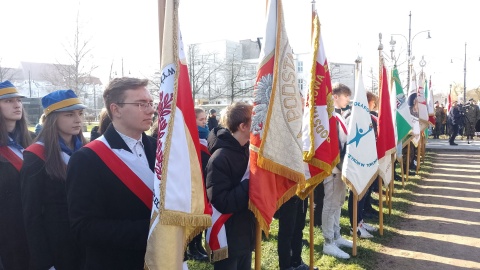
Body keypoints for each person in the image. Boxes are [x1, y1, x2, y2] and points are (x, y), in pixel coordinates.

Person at [66, 77, 157, 269]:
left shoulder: (159, 149)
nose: (151, 110)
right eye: (141, 104)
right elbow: (84, 228)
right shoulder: (87, 159)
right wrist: (151, 229)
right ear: (116, 109)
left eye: (150, 103)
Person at [21, 89, 87, 269]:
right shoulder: (36, 156)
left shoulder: (86, 150)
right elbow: (31, 215)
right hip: (57, 248)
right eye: (69, 114)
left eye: (80, 113)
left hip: (87, 242)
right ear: (53, 118)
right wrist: (45, 263)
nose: (78, 119)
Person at [206, 102, 255, 270]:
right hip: (227, 236)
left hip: (245, 231)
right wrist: (253, 183)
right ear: (243, 126)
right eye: (256, 122)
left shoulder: (249, 149)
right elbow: (222, 201)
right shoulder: (220, 158)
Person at [0, 80, 31, 270]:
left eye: (18, 100)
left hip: (29, 229)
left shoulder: (30, 141)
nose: (17, 104)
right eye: (8, 101)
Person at [322, 83, 352, 259]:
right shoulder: (328, 116)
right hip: (332, 168)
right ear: (335, 96)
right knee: (330, 204)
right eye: (345, 96)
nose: (348, 99)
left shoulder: (337, 115)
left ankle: (336, 234)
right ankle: (327, 242)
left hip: (340, 167)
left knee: (338, 203)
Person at [185, 107, 209, 262]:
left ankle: (198, 245)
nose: (205, 123)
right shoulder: (190, 137)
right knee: (194, 215)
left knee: (202, 212)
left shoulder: (205, 136)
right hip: (193, 181)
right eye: (201, 120)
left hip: (204, 180)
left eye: (205, 119)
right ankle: (191, 248)